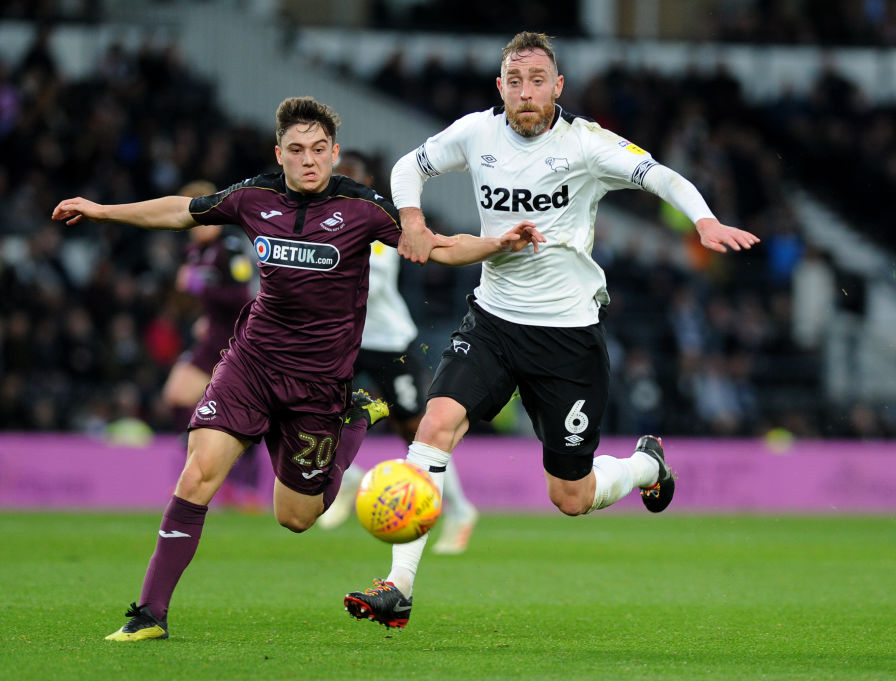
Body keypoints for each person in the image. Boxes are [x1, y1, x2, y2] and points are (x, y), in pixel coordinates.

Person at [52, 96, 544, 641]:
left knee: (295, 516)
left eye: (317, 150)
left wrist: (496, 245)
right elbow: (179, 211)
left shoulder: (364, 209)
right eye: (296, 150)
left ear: (334, 154)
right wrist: (101, 210)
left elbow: (435, 246)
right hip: (252, 364)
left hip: (318, 385)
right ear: (279, 154)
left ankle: (354, 420)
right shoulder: (252, 197)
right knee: (198, 473)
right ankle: (149, 614)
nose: (308, 160)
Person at [344, 32, 760, 630]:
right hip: (492, 319)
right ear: (500, 88)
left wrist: (704, 219)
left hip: (567, 337)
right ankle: (399, 587)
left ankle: (646, 465)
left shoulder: (586, 144)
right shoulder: (475, 133)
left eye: (538, 79)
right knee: (435, 424)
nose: (526, 92)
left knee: (570, 496)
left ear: (558, 86)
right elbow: (410, 165)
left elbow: (661, 176)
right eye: (515, 81)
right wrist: (411, 218)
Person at [317, 150, 478, 554]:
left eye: (352, 178)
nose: (345, 186)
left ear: (367, 182)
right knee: (318, 414)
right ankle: (347, 481)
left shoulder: (380, 224)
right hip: (345, 344)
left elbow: (369, 279)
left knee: (417, 430)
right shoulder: (321, 222)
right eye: (340, 177)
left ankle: (460, 510)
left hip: (389, 342)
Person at [162, 179, 263, 509]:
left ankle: (238, 484)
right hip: (214, 333)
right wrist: (202, 314)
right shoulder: (194, 249)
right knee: (178, 394)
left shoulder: (231, 246)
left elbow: (242, 296)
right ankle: (203, 473)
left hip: (236, 336)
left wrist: (197, 287)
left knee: (243, 414)